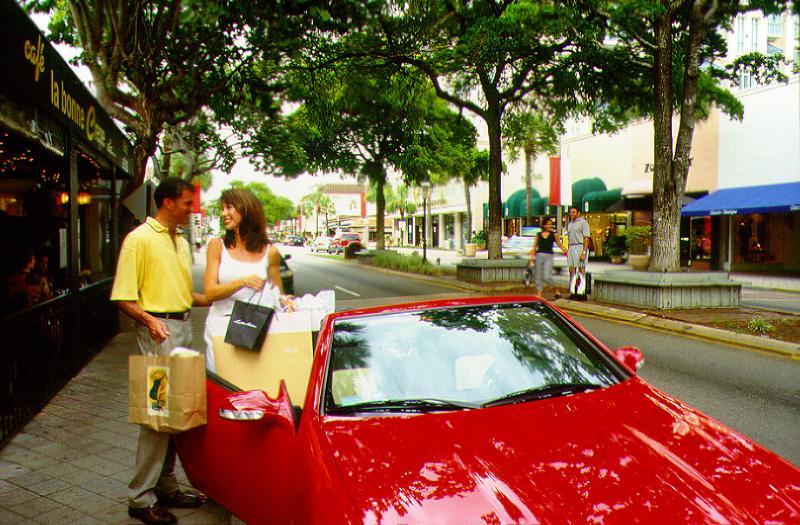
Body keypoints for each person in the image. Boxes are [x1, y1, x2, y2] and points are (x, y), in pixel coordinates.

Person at [111, 177, 210, 525]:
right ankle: (139, 498)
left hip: (182, 329)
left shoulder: (181, 241)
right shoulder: (138, 240)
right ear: (168, 202)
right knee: (156, 416)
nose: (190, 209)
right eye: (186, 202)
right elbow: (123, 297)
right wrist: (149, 321)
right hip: (158, 335)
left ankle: (166, 485)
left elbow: (186, 292)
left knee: (177, 413)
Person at [203, 188, 288, 373]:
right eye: (222, 208)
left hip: (254, 334)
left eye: (229, 207)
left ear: (247, 209)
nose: (224, 213)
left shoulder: (270, 252)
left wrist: (287, 301)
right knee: (222, 390)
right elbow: (210, 293)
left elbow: (279, 296)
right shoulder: (217, 246)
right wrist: (242, 282)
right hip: (220, 330)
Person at [527, 218, 568, 299]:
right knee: (538, 275)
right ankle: (539, 294)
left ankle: (556, 289)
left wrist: (567, 252)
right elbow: (534, 247)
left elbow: (560, 245)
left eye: (550, 224)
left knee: (547, 276)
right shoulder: (538, 235)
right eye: (548, 224)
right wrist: (531, 260)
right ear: (544, 225)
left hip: (549, 256)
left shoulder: (554, 235)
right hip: (539, 256)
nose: (549, 226)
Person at [566, 206, 591, 298]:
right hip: (571, 247)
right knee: (571, 270)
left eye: (574, 212)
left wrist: (584, 252)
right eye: (570, 212)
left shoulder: (583, 223)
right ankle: (573, 291)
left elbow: (586, 239)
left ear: (578, 213)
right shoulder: (570, 224)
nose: (571, 214)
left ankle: (582, 292)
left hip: (580, 246)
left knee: (581, 269)